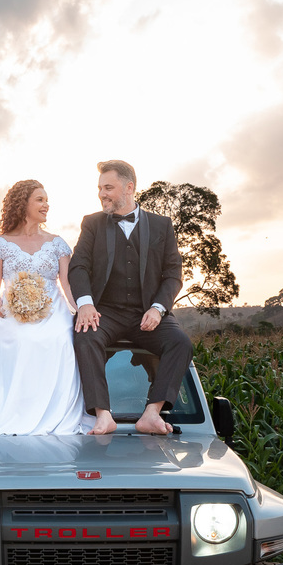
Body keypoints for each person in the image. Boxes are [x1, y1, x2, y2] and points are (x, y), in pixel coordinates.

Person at [69, 160, 193, 435]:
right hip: (105, 312)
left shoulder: (162, 225)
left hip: (147, 313)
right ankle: (103, 415)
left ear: (129, 187)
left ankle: (151, 414)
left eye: (108, 187)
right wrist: (85, 303)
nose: (102, 194)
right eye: (100, 188)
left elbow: (173, 274)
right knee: (85, 337)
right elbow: (78, 266)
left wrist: (158, 309)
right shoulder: (92, 224)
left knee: (180, 343)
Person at [0, 180, 93, 438]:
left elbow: (68, 285)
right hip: (11, 314)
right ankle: (18, 415)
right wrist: (4, 308)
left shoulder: (57, 243)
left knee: (60, 338)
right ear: (22, 203)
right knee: (22, 338)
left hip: (53, 313)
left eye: (46, 200)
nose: (46, 204)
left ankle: (58, 415)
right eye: (40, 199)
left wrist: (82, 308)